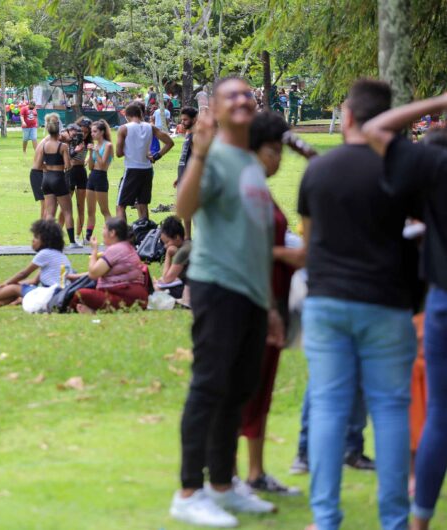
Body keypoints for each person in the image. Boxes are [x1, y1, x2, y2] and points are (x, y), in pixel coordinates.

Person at [297, 79, 419, 530]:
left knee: (329, 406)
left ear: (347, 116)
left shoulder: (319, 171)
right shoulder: (398, 170)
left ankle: (325, 518)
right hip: (386, 300)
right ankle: (394, 520)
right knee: (390, 409)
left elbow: (310, 243)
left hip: (328, 299)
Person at [170, 76, 279, 528]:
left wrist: (270, 305)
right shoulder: (212, 157)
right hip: (218, 287)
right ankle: (189, 491)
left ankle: (222, 484)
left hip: (252, 295)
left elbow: (256, 238)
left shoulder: (250, 163)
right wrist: (197, 151)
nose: (242, 99)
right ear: (214, 106)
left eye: (248, 94)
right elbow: (183, 207)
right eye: (231, 94)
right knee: (209, 387)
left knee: (238, 391)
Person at [362, 93, 447, 530]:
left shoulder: (437, 167)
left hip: (442, 298)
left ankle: (419, 522)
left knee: (440, 414)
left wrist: (439, 101)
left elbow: (375, 128)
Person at [234, 110, 309, 497]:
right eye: (271, 150)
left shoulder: (261, 188)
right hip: (257, 301)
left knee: (261, 388)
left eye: (281, 150)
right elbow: (247, 247)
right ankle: (228, 472)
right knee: (243, 388)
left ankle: (256, 471)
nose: (278, 159)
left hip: (274, 297)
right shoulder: (246, 188)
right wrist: (286, 256)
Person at [0, 220, 73, 310]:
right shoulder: (58, 256)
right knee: (15, 289)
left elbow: (24, 273)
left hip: (51, 296)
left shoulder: (45, 253)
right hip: (61, 296)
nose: (32, 240)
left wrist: (6, 284)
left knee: (13, 288)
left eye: (36, 237)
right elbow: (33, 281)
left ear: (45, 241)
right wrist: (14, 284)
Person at [74, 217, 149, 313]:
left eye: (104, 229)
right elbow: (102, 271)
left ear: (112, 233)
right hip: (138, 298)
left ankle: (87, 309)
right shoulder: (127, 247)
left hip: (127, 298)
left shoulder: (115, 249)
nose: (102, 232)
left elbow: (93, 274)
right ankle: (90, 310)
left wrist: (94, 251)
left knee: (80, 294)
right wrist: (74, 276)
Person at [115, 103, 174, 222]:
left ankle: (122, 236)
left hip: (132, 169)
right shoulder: (150, 127)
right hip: (147, 169)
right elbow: (169, 142)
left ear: (127, 116)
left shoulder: (124, 128)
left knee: (121, 205)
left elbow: (119, 153)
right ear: (140, 114)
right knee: (143, 203)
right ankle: (145, 234)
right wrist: (156, 156)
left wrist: (132, 150)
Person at [34, 114, 77, 247]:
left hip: (46, 179)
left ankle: (47, 241)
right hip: (58, 178)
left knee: (50, 212)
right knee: (67, 211)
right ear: (59, 130)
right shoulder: (62, 146)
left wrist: (47, 167)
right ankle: (72, 242)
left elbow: (37, 165)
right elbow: (68, 165)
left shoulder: (44, 145)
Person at [84, 120, 114, 242]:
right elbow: (91, 166)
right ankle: (88, 237)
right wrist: (91, 153)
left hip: (101, 177)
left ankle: (112, 234)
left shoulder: (108, 146)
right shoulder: (94, 146)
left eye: (95, 131)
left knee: (104, 210)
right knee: (90, 211)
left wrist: (96, 151)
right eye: (91, 131)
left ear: (102, 132)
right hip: (92, 177)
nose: (92, 134)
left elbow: (102, 166)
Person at [64, 118, 93, 242]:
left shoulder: (87, 142)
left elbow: (89, 159)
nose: (84, 134)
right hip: (70, 172)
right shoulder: (70, 140)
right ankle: (58, 235)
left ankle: (77, 236)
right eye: (82, 131)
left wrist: (87, 159)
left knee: (81, 206)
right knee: (65, 207)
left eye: (86, 132)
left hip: (81, 172)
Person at [174, 107, 198, 240]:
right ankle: (188, 238)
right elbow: (185, 157)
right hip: (183, 177)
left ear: (194, 119)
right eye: (182, 119)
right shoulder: (188, 134)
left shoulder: (195, 136)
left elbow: (197, 158)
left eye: (186, 119)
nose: (183, 122)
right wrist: (179, 177)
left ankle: (199, 238)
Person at [155, 216, 191, 301]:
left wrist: (168, 255)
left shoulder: (183, 252)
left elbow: (166, 279)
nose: (165, 246)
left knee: (157, 288)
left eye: (167, 242)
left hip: (196, 289)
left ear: (177, 238)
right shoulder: (188, 244)